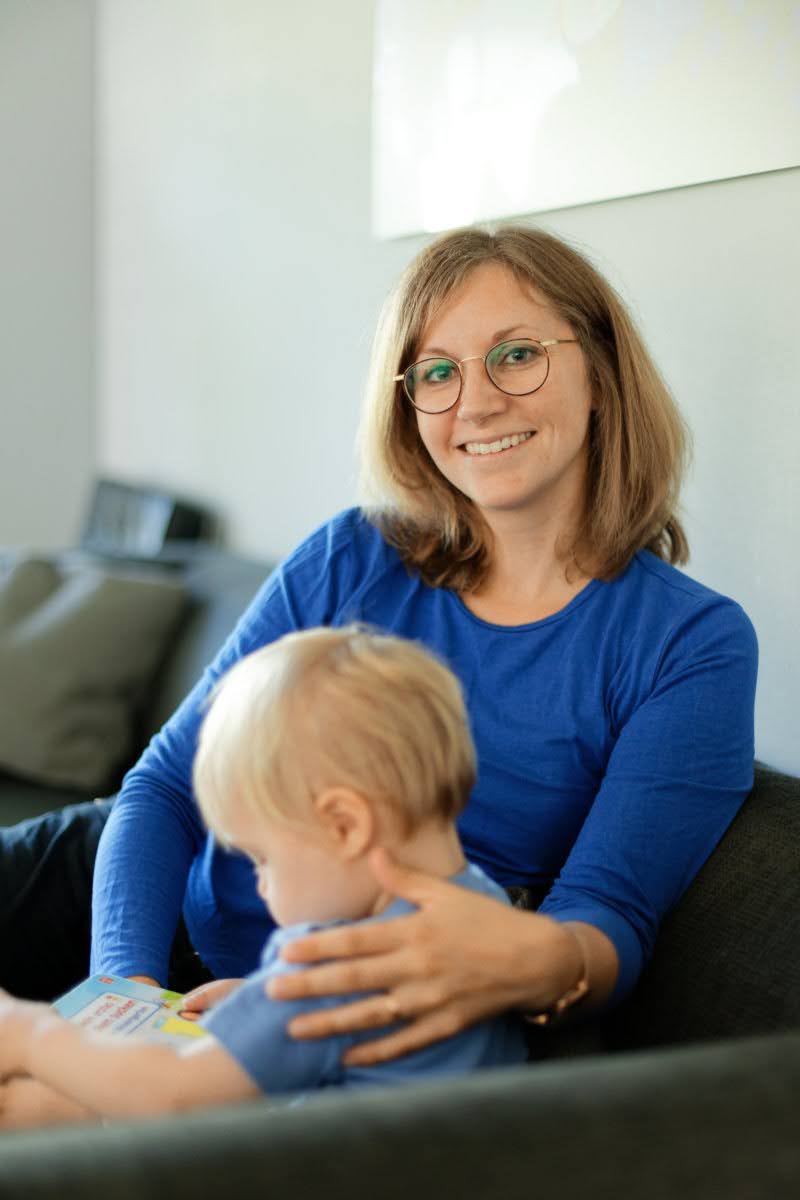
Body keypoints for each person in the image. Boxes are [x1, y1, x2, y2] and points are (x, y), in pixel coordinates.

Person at [0, 224, 757, 1111]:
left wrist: (515, 959)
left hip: (317, 1011)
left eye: (517, 356)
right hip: (137, 900)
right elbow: (164, 789)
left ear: (600, 370)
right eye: (436, 372)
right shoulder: (349, 557)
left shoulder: (688, 643)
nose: (475, 402)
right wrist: (120, 994)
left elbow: (605, 925)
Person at [0, 628, 528, 1125]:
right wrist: (260, 998)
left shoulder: (333, 966)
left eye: (262, 858)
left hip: (290, 1171)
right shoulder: (483, 915)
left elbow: (175, 1093)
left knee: (27, 1106)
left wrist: (32, 1034)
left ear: (345, 826)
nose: (260, 884)